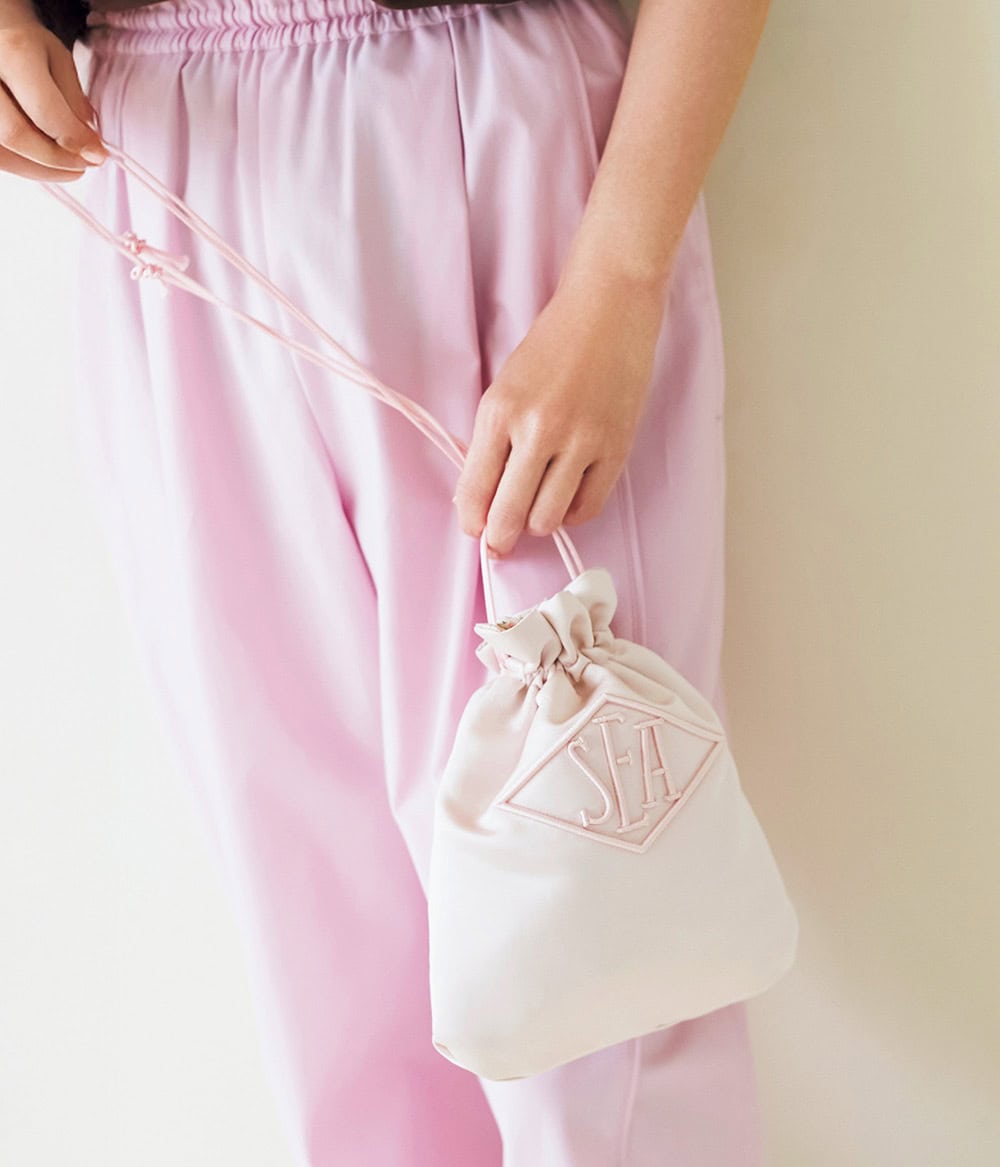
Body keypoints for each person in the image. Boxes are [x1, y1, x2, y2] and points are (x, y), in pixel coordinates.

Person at [0, 0, 774, 1161]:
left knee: (588, 931)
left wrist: (618, 276)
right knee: (333, 969)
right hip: (156, 163)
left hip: (481, 128)